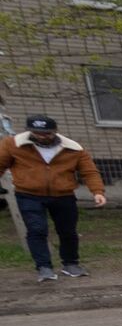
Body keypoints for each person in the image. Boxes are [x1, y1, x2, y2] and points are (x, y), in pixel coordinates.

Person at [1, 115, 106, 281]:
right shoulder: (13, 144)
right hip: (29, 195)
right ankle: (44, 267)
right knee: (37, 230)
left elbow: (89, 171)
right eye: (37, 133)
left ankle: (71, 264)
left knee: (68, 231)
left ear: (55, 131)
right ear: (30, 131)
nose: (42, 137)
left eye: (47, 134)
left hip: (63, 195)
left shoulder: (73, 148)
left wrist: (97, 191)